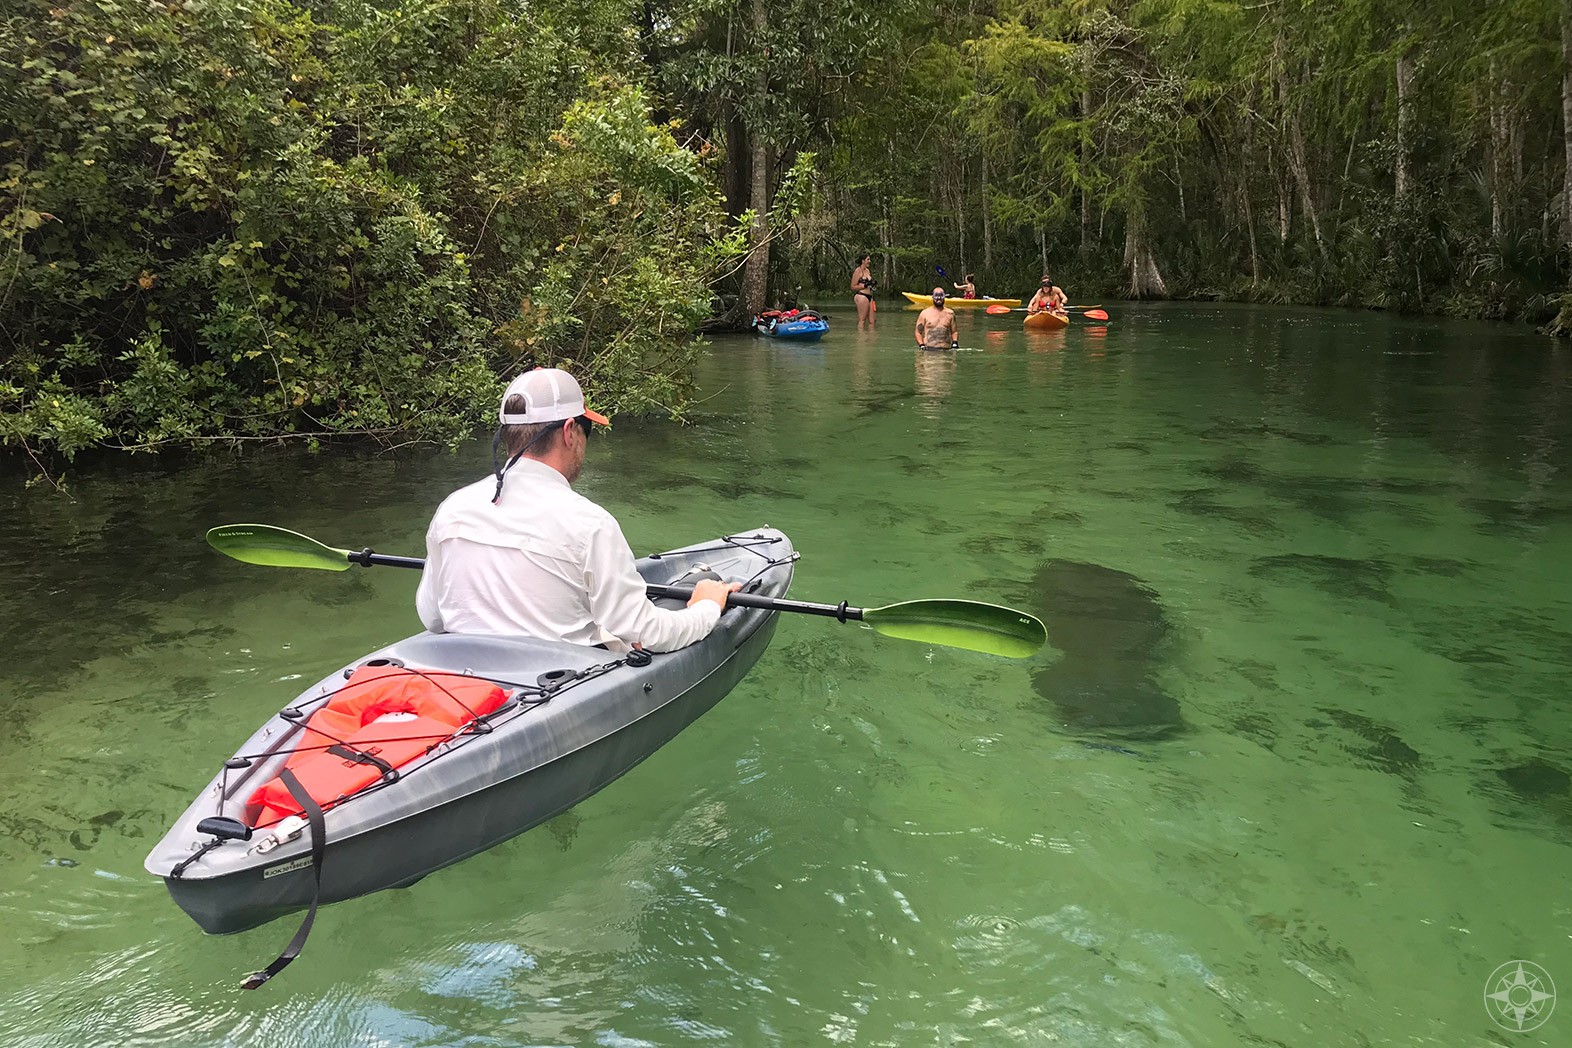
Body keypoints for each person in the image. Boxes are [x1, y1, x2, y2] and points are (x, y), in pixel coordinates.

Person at [416, 368, 739, 652]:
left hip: (464, 678)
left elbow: (432, 617)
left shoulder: (453, 507)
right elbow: (650, 635)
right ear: (570, 431)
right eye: (588, 429)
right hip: (553, 685)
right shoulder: (590, 523)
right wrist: (707, 606)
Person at [850, 253, 878, 328]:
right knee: (862, 320)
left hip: (870, 297)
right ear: (863, 261)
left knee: (872, 321)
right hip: (861, 296)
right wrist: (864, 285)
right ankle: (861, 338)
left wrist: (872, 284)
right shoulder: (858, 271)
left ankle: (871, 338)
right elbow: (853, 287)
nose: (869, 261)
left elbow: (869, 284)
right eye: (868, 259)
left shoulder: (868, 271)